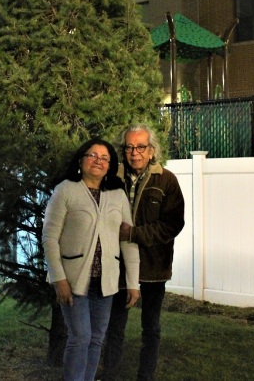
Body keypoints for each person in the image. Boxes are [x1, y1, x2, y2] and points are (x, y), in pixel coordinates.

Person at [43, 138, 141, 381]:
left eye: (104, 158)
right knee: (80, 337)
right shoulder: (65, 190)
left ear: (110, 166)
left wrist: (133, 283)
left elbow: (127, 241)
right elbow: (49, 237)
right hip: (73, 281)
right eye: (93, 155)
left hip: (105, 282)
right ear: (81, 160)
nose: (98, 161)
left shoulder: (117, 196)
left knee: (97, 338)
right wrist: (59, 278)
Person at [101, 124, 185, 381]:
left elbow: (172, 224)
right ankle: (110, 376)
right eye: (129, 147)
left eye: (141, 147)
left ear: (151, 151)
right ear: (123, 150)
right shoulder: (111, 178)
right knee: (114, 328)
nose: (134, 152)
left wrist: (134, 234)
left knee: (151, 329)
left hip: (153, 267)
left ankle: (145, 377)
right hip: (118, 266)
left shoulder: (167, 180)